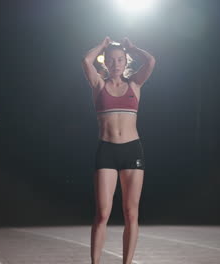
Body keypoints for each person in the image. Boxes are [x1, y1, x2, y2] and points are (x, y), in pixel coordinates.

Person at [82, 37, 155, 264]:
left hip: (132, 151)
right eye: (112, 60)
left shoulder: (134, 85)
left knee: (131, 213)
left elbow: (151, 61)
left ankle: (127, 262)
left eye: (120, 60)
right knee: (102, 213)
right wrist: (103, 46)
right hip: (107, 151)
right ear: (105, 63)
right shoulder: (99, 86)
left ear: (126, 62)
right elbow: (86, 59)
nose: (116, 64)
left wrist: (133, 48)